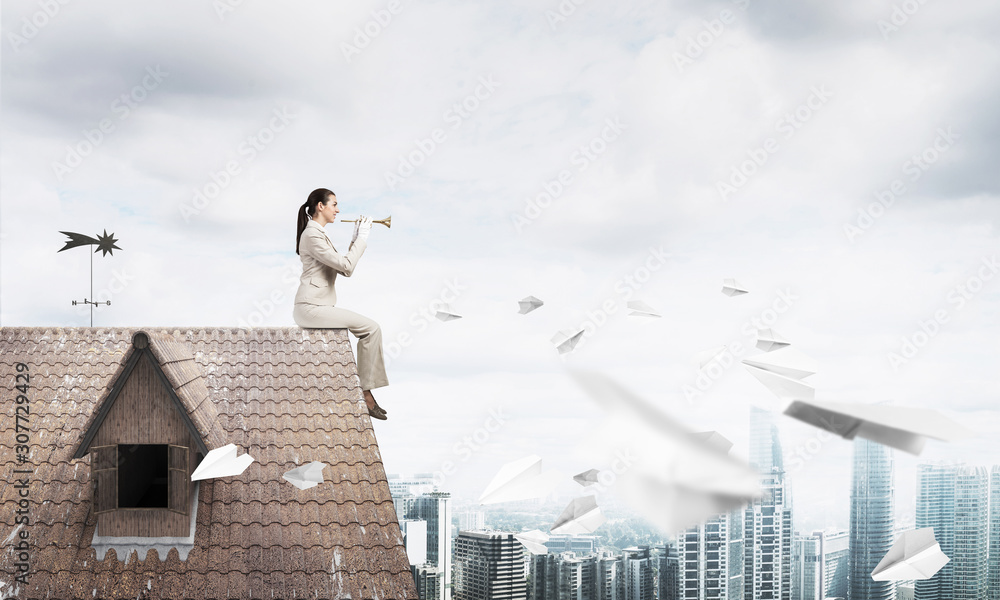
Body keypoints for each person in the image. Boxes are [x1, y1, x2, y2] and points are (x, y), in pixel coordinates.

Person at [293, 188, 389, 420]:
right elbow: (346, 266)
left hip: (318, 307)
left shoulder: (318, 234)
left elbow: (343, 268)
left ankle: (364, 391)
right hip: (311, 307)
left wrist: (356, 239)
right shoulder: (312, 235)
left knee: (370, 328)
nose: (338, 209)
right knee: (371, 328)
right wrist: (363, 239)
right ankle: (364, 393)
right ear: (320, 207)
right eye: (334, 204)